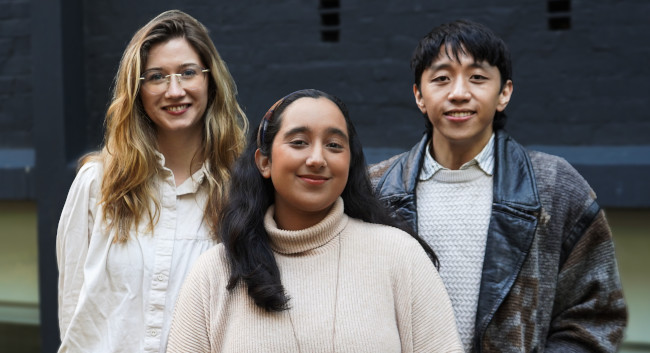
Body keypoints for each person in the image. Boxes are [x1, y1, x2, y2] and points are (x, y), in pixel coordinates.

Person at [369, 19, 627, 352]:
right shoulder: (376, 188)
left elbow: (597, 315)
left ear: (503, 92)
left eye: (477, 78)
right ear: (419, 95)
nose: (459, 93)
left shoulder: (555, 186)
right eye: (441, 79)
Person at [166, 89, 463, 353]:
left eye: (334, 145)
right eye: (299, 142)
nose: (317, 158)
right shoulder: (216, 272)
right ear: (264, 162)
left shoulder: (399, 256)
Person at [56, 10, 248, 353]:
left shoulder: (239, 190)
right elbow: (73, 310)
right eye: (156, 77)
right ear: (138, 90)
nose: (175, 91)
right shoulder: (97, 184)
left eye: (188, 72)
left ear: (209, 80)